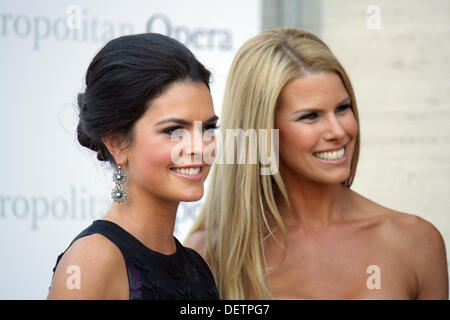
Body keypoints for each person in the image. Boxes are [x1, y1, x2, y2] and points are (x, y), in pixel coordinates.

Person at [185, 28, 448, 299]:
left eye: (343, 109)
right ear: (264, 131)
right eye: (310, 116)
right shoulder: (211, 255)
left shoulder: (415, 241)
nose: (338, 131)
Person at [47, 33, 220, 300]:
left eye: (208, 128)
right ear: (117, 143)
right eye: (174, 130)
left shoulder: (198, 266)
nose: (200, 147)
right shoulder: (91, 261)